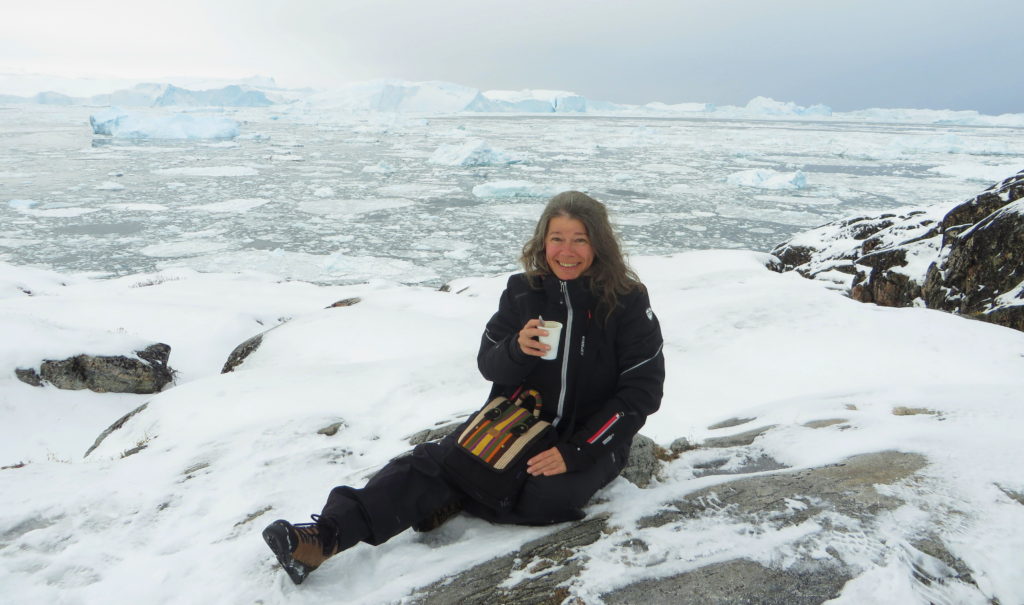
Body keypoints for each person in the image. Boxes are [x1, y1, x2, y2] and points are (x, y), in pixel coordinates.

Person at [263, 191, 665, 584]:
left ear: (599, 244)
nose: (567, 251)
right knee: (431, 464)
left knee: (546, 496)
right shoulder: (523, 291)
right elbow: (488, 362)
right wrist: (516, 350)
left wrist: (578, 451)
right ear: (544, 242)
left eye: (580, 239)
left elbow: (642, 390)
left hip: (589, 434)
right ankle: (323, 537)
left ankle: (455, 493)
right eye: (557, 238)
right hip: (516, 421)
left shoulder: (626, 301)